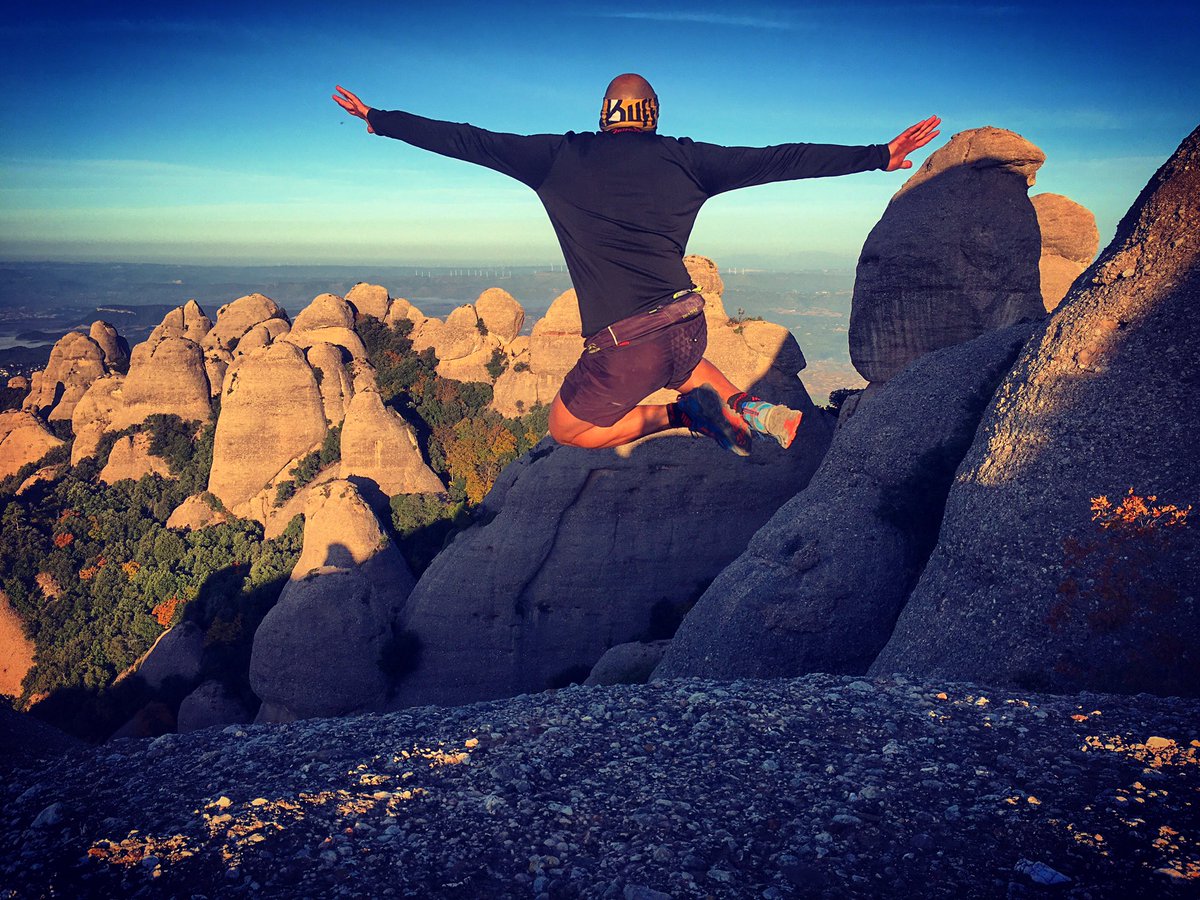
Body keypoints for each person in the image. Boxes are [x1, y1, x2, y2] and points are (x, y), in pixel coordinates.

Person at [333, 76, 939, 455]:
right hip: (686, 324)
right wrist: (877, 155)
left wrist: (379, 120)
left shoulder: (558, 156)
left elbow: (468, 139)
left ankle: (685, 415)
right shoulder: (687, 160)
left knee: (568, 430)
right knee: (689, 368)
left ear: (605, 113)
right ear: (652, 115)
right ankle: (742, 411)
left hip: (627, 345)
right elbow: (781, 157)